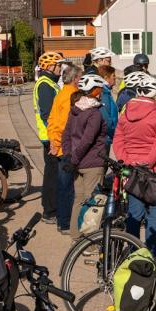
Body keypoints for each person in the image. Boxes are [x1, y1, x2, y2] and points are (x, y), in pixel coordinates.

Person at [113, 72, 156, 253]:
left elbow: (118, 139)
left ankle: (133, 251)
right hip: (155, 169)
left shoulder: (125, 112)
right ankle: (152, 253)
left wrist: (126, 160)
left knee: (134, 213)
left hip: (132, 168)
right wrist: (148, 162)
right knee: (154, 213)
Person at [61, 74, 111, 239]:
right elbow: (88, 140)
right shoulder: (94, 113)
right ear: (94, 90)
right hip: (92, 164)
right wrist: (73, 158)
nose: (101, 91)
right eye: (100, 89)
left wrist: (69, 156)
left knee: (79, 200)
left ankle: (76, 236)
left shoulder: (75, 109)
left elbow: (66, 135)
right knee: (93, 204)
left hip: (77, 164)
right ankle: (90, 243)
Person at [46, 63, 84, 233]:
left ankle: (62, 221)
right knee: (68, 187)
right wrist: (59, 143)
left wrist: (53, 142)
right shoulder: (72, 96)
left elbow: (52, 120)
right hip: (68, 147)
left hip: (60, 145)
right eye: (81, 77)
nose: (82, 80)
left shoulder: (61, 94)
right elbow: (65, 125)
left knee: (64, 186)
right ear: (75, 78)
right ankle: (66, 222)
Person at [33, 51, 64, 223]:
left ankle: (52, 207)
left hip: (51, 135)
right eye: (58, 65)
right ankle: (50, 211)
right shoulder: (45, 85)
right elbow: (47, 113)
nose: (60, 68)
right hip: (50, 136)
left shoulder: (50, 82)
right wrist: (54, 138)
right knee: (52, 174)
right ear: (49, 66)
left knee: (53, 173)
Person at [97, 64, 119, 136]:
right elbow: (106, 120)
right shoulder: (103, 94)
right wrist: (114, 132)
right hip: (106, 137)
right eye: (113, 76)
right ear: (106, 78)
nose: (115, 78)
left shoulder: (107, 92)